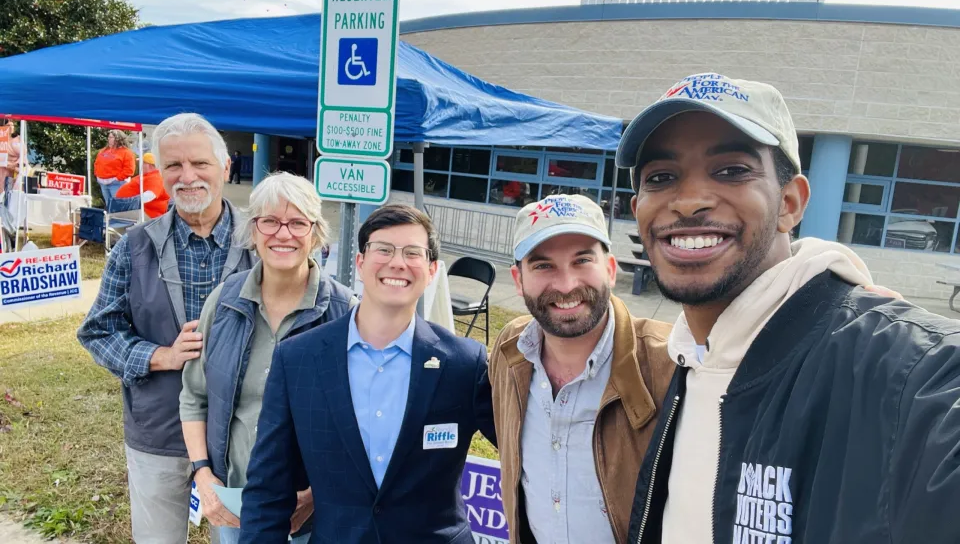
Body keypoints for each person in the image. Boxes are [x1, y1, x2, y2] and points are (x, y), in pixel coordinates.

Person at [618, 73, 960, 544]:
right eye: (662, 177)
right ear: (638, 209)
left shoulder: (904, 370)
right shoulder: (686, 359)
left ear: (791, 203)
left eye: (731, 170)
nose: (690, 200)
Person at [239, 204, 496, 544]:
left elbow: (528, 454)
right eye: (384, 250)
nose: (397, 263)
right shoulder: (298, 359)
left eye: (412, 253)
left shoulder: (465, 363)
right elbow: (268, 488)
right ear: (360, 263)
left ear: (432, 270)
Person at [78, 112, 254, 544]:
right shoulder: (135, 247)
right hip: (159, 429)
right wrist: (161, 356)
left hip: (243, 434)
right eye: (173, 166)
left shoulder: (261, 240)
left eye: (200, 164)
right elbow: (98, 332)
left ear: (225, 168)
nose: (186, 176)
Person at [180, 172, 355, 544]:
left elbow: (364, 423)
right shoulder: (223, 302)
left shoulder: (345, 313)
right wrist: (202, 474)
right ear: (254, 230)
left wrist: (315, 494)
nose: (283, 233)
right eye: (270, 221)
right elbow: (194, 397)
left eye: (297, 223)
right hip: (234, 505)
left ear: (316, 233)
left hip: (317, 512)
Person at [488, 194, 674, 544]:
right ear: (518, 279)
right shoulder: (509, 352)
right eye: (543, 266)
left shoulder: (666, 364)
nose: (566, 285)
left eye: (582, 260)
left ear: (611, 269)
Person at [112, 152, 172, 218]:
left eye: (142, 163)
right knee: (112, 216)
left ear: (148, 165)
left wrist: (128, 202)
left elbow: (150, 195)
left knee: (111, 217)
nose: (140, 166)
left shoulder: (155, 177)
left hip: (146, 213)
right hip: (133, 209)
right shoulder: (147, 176)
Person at [95, 129, 137, 211]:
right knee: (109, 206)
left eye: (111, 137)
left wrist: (117, 179)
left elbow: (129, 170)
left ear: (118, 139)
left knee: (118, 207)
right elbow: (96, 163)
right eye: (109, 137)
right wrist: (97, 174)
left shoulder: (126, 152)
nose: (108, 139)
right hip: (103, 183)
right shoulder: (103, 151)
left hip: (117, 184)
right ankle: (110, 221)